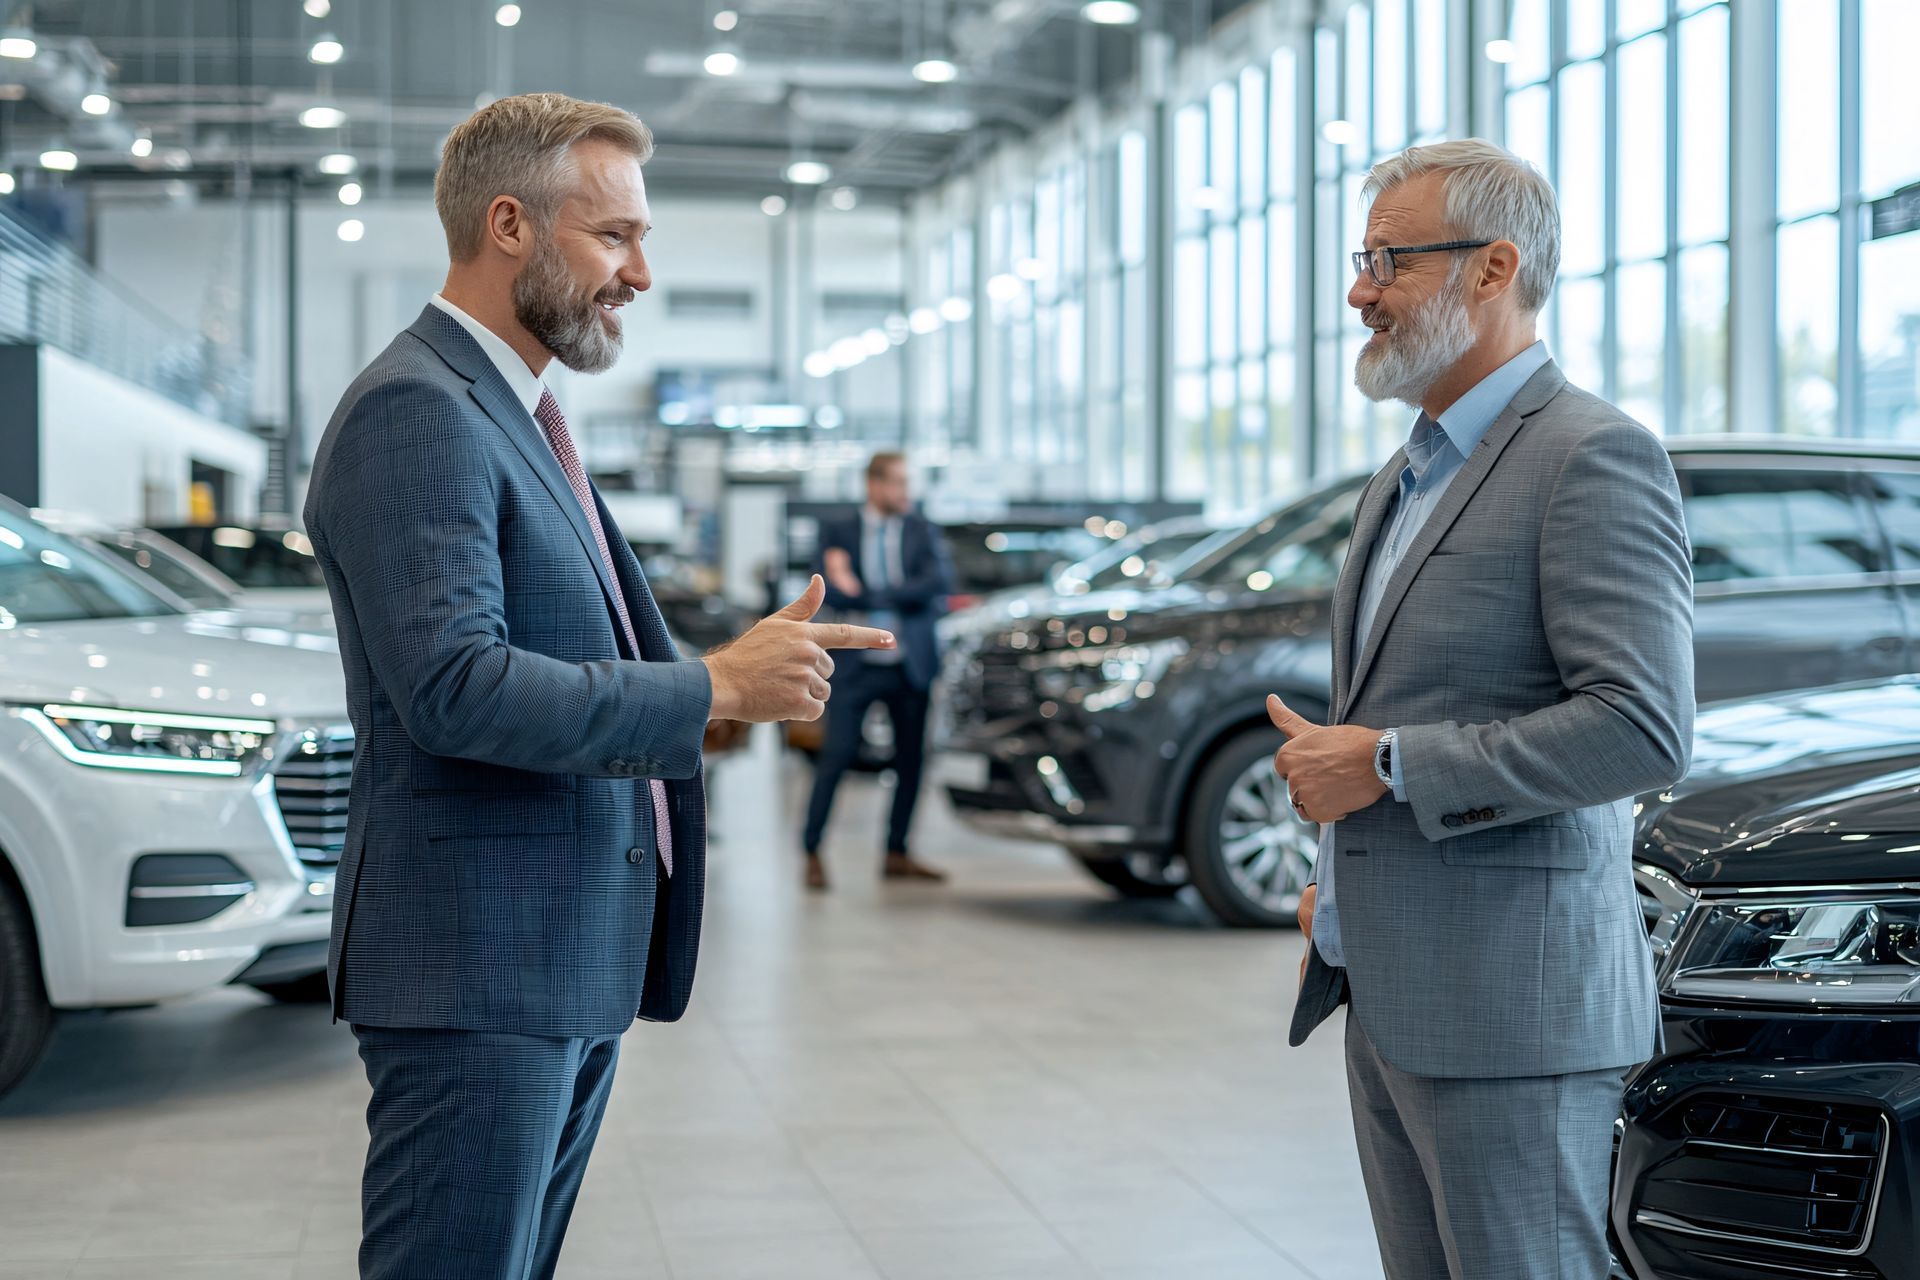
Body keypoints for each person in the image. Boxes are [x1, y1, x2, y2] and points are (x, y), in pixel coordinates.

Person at [302, 93, 893, 1280]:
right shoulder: (419, 409)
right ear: (508, 224)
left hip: (550, 955)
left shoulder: (517, 411)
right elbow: (456, 688)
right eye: (614, 235)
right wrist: (712, 684)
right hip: (479, 967)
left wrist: (718, 666)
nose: (640, 274)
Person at [1273, 139, 1693, 1279]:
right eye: (1363, 259)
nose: (1359, 291)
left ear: (1494, 266)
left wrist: (1393, 765)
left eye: (1390, 260)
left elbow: (1643, 723)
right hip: (1390, 989)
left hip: (1517, 1014)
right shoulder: (1403, 474)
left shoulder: (1590, 455)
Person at [800, 451, 956, 890]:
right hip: (857, 667)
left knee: (911, 761)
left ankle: (897, 852)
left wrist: (871, 593)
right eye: (898, 484)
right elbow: (832, 592)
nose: (906, 493)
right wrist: (882, 596)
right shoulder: (839, 531)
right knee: (836, 756)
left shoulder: (921, 528)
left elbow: (937, 582)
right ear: (873, 484)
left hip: (910, 664)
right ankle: (811, 851)